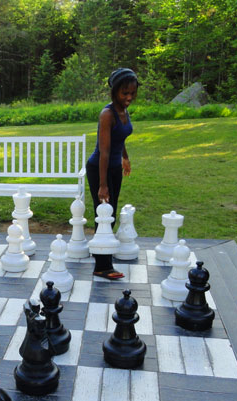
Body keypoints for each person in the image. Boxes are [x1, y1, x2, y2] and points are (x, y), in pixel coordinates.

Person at [86, 68, 139, 279]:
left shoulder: (124, 112)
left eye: (132, 93)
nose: (129, 98)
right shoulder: (107, 114)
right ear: (115, 91)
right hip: (100, 167)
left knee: (111, 213)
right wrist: (103, 185)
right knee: (104, 213)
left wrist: (125, 158)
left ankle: (103, 256)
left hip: (115, 167)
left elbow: (120, 139)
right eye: (124, 93)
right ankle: (102, 266)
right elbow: (104, 151)